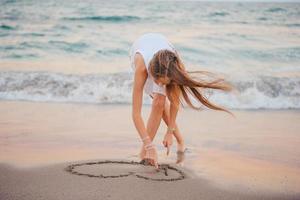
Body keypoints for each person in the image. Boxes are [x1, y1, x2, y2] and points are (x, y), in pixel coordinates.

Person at [129, 32, 234, 169]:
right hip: (141, 47)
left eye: (164, 84)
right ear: (152, 76)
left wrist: (169, 132)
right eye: (158, 83)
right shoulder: (141, 68)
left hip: (164, 52)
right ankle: (145, 152)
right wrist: (150, 146)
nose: (161, 87)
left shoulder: (175, 65)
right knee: (158, 101)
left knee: (160, 101)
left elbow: (174, 102)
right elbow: (136, 114)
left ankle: (180, 141)